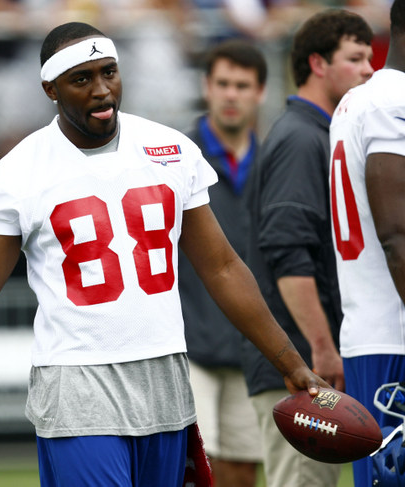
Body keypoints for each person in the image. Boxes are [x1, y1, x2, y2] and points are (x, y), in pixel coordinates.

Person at [0, 22, 327, 486]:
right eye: (82, 79)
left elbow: (222, 267)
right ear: (50, 89)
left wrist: (290, 362)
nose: (102, 90)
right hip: (77, 382)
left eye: (109, 72)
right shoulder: (18, 173)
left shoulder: (171, 150)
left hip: (164, 375)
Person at [241, 9, 373, 487]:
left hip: (304, 361)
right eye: (355, 58)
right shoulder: (300, 139)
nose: (368, 70)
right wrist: (321, 350)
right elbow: (287, 252)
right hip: (298, 366)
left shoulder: (320, 132)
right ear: (318, 63)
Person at [328, 0, 405, 485]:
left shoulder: (361, 99)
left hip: (374, 333)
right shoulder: (399, 102)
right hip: (404, 339)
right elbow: (399, 234)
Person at [178, 39, 265, 487]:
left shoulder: (273, 161)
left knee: (242, 472)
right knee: (193, 470)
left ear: (260, 93)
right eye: (223, 84)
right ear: (206, 87)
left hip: (249, 348)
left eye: (242, 85)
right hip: (188, 347)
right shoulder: (174, 158)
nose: (232, 94)